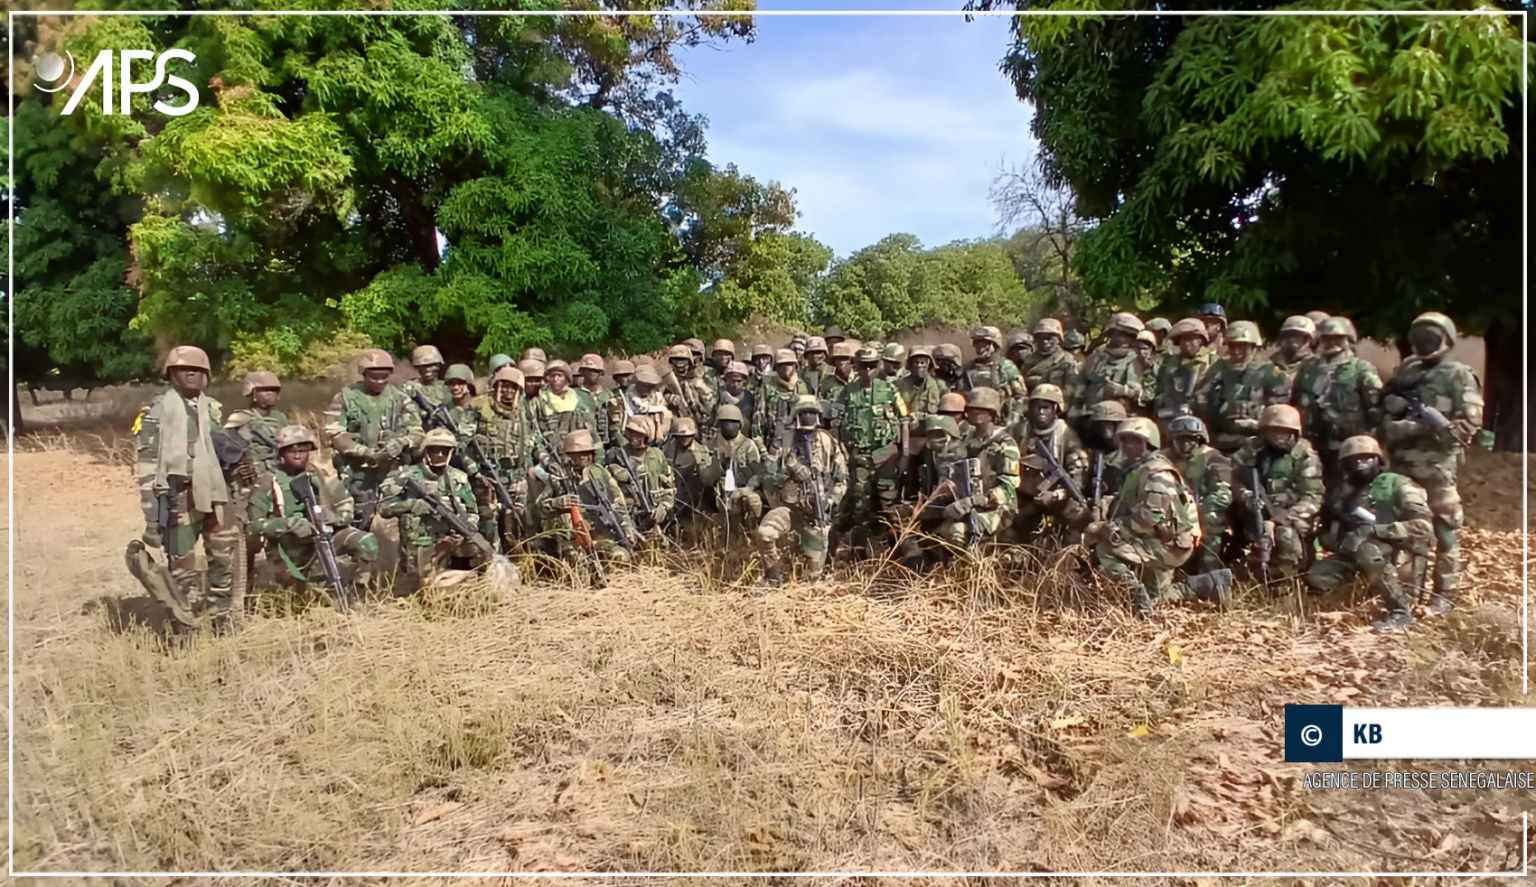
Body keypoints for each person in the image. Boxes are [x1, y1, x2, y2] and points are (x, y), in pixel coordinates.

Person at [129, 345, 242, 633]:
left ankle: (221, 619)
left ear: (206, 375)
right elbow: (146, 466)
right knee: (183, 568)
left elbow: (223, 453)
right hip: (178, 497)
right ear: (171, 374)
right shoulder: (156, 412)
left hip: (217, 495)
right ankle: (185, 624)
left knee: (224, 559)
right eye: (183, 369)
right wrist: (152, 514)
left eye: (197, 369)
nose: (191, 373)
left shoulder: (213, 409)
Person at [1378, 311, 1484, 615]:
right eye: (1419, 336)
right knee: (1403, 528)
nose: (1424, 342)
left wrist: (1417, 427)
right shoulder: (1409, 368)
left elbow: (1467, 426)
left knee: (1446, 530)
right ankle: (1405, 592)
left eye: (1431, 336)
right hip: (1401, 465)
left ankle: (1444, 595)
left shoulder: (1459, 375)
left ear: (1447, 340)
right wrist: (1393, 421)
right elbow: (1388, 404)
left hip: (1437, 467)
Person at [1086, 418, 1226, 615]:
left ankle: (1136, 597)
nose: (1128, 446)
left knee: (1106, 547)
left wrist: (1109, 528)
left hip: (1169, 544)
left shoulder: (1157, 473)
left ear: (1148, 444)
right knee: (1159, 597)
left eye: (1135, 441)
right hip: (1161, 538)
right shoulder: (1139, 468)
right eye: (1125, 440)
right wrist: (1104, 505)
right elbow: (1129, 500)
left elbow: (1148, 518)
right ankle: (1209, 583)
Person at [1307, 436, 1434, 630]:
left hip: (1400, 556)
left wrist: (1376, 530)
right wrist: (1335, 537)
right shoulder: (1341, 494)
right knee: (1318, 574)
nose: (1360, 464)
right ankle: (1364, 598)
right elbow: (1328, 539)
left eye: (1367, 458)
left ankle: (1400, 612)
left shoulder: (1398, 485)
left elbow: (1424, 527)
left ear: (1379, 461)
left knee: (1368, 550)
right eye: (1353, 460)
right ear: (1344, 465)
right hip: (1356, 558)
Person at [246, 425, 379, 594]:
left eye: (303, 450)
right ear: (281, 453)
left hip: (324, 537)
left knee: (366, 542)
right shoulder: (268, 480)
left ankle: (359, 594)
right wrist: (288, 524)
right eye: (291, 451)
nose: (297, 455)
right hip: (288, 547)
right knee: (295, 594)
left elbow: (345, 502)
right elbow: (253, 526)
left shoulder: (320, 475)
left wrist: (335, 518)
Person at [378, 428, 493, 595]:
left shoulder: (458, 478)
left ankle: (469, 580)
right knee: (427, 590)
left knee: (484, 553)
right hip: (421, 544)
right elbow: (384, 508)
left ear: (452, 452)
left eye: (445, 450)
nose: (439, 454)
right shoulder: (406, 475)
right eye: (434, 450)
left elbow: (472, 511)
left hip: (452, 541)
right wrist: (411, 505)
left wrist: (465, 527)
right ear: (425, 451)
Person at [322, 348, 423, 531]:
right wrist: (363, 452)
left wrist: (402, 442)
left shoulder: (400, 399)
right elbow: (333, 432)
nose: (380, 381)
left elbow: (417, 431)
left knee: (403, 511)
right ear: (364, 374)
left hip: (392, 467)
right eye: (374, 377)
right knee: (360, 515)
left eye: (384, 376)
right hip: (358, 468)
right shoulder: (345, 397)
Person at [757, 396, 849, 586]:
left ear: (818, 416)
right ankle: (773, 578)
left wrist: (831, 501)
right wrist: (790, 471)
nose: (808, 416)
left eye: (812, 412)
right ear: (796, 415)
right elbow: (768, 477)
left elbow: (842, 479)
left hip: (816, 516)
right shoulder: (785, 441)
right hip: (789, 511)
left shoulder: (828, 442)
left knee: (811, 579)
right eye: (804, 412)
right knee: (764, 534)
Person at [1230, 404, 1324, 581]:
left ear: (1295, 433)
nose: (1279, 437)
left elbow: (1313, 497)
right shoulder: (1253, 447)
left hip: (1291, 515)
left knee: (1284, 537)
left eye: (1284, 432)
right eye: (1274, 431)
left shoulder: (1305, 456)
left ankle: (1283, 581)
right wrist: (1245, 495)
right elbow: (1233, 475)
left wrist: (1278, 521)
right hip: (1254, 509)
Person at [534, 429, 640, 580]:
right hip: (573, 540)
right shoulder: (559, 478)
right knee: (581, 574)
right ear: (570, 455)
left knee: (621, 557)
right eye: (581, 453)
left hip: (602, 535)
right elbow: (540, 506)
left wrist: (626, 527)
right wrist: (557, 503)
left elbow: (618, 504)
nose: (586, 456)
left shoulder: (600, 472)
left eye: (589, 452)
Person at [1292, 317, 1383, 487]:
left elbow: (1375, 408)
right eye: (1327, 338)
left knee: (1346, 492)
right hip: (1311, 444)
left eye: (1337, 338)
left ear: (1348, 339)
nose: (1332, 342)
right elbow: (1294, 402)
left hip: (1347, 445)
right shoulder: (1308, 368)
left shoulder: (1361, 369)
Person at [835, 347, 911, 548]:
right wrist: (840, 453)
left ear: (877, 366)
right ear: (856, 367)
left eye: (871, 366)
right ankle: (859, 552)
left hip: (885, 454)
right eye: (863, 366)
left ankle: (903, 551)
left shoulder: (889, 390)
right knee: (860, 505)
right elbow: (835, 423)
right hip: (858, 455)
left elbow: (904, 420)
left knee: (890, 504)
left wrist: (904, 455)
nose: (867, 370)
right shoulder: (848, 392)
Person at [1012, 384, 1090, 541]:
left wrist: (1056, 495)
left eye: (1046, 407)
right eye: (1037, 407)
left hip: (1057, 496)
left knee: (1078, 513)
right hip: (1024, 495)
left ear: (1056, 408)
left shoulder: (1067, 435)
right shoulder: (1018, 431)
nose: (1041, 412)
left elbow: (1078, 476)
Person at [474, 365, 534, 548]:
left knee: (516, 521)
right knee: (489, 522)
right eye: (504, 386)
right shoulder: (481, 409)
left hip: (516, 476)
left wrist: (544, 458)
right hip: (488, 477)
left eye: (512, 387)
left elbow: (534, 439)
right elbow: (462, 444)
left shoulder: (523, 412)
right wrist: (475, 472)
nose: (508, 391)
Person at [1165, 415, 1232, 575]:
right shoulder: (1162, 458)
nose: (1186, 444)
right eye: (1180, 440)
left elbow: (1223, 495)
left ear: (1200, 440)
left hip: (1202, 512)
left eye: (1191, 440)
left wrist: (1193, 513)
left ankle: (1210, 573)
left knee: (1211, 521)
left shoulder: (1213, 458)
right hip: (1169, 512)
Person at [954, 388, 1021, 546]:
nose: (968, 413)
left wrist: (984, 499)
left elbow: (1010, 485)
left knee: (958, 531)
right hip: (966, 503)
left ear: (990, 413)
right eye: (969, 409)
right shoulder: (966, 439)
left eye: (975, 410)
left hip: (998, 507)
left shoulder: (1006, 443)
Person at [1070, 312, 1150, 429]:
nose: (1124, 339)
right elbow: (1082, 382)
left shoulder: (1137, 358)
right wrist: (1075, 414)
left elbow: (1146, 395)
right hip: (1092, 415)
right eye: (1120, 334)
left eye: (1129, 335)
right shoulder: (1097, 354)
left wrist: (1124, 391)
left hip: (1121, 418)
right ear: (1111, 333)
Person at [1198, 320, 1266, 453]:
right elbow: (1201, 398)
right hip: (1222, 439)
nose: (1236, 351)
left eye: (1242, 346)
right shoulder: (1218, 368)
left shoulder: (1268, 371)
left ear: (1253, 346)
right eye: (1233, 346)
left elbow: (1281, 405)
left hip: (1258, 441)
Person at [701, 404, 766, 539]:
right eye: (724, 423)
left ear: (739, 425)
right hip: (717, 493)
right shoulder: (711, 445)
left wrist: (746, 487)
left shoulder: (748, 445)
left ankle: (751, 535)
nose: (728, 426)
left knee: (753, 501)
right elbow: (705, 477)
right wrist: (718, 466)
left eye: (732, 423)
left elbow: (757, 472)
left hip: (742, 490)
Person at [605, 416, 675, 537]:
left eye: (638, 434)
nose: (633, 437)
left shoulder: (657, 456)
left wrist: (664, 506)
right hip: (630, 513)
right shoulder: (618, 456)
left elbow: (669, 486)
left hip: (656, 511)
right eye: (630, 433)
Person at [533, 359, 604, 464]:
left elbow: (593, 434)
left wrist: (599, 462)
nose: (555, 379)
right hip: (552, 460)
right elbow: (535, 435)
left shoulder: (579, 401)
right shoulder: (540, 402)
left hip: (580, 459)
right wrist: (544, 458)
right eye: (552, 376)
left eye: (559, 375)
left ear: (567, 378)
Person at [961, 325, 1028, 426]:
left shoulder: (1006, 367)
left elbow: (1020, 396)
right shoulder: (968, 368)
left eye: (983, 343)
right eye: (977, 342)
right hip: (972, 419)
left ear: (994, 345)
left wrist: (1012, 420)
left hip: (1000, 420)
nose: (979, 346)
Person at [1152, 317, 1214, 423]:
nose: (1187, 343)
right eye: (1183, 339)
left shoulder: (1213, 362)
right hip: (1171, 416)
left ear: (1200, 340)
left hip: (1203, 417)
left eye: (1191, 339)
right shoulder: (1169, 363)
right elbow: (1159, 389)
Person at [225, 371, 288, 474]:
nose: (270, 393)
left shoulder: (280, 418)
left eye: (274, 390)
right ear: (252, 392)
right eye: (265, 390)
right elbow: (226, 449)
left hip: (279, 470)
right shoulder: (239, 418)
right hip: (251, 473)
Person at [662, 417, 716, 529]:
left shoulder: (701, 452)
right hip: (671, 493)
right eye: (680, 437)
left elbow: (707, 479)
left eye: (687, 437)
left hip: (692, 498)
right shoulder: (667, 449)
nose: (683, 440)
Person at [755, 348, 810, 451]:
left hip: (796, 440)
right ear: (776, 367)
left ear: (795, 366)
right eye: (782, 365)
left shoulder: (801, 387)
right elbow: (759, 416)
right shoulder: (767, 386)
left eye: (789, 364)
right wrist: (760, 446)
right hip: (772, 439)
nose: (786, 368)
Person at [1256, 315, 1315, 408]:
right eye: (1288, 335)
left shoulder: (1316, 365)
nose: (1291, 339)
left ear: (1308, 339)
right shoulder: (1267, 364)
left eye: (1297, 335)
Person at [893, 345, 948, 423]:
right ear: (910, 365)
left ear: (928, 364)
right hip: (906, 428)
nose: (919, 365)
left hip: (932, 428)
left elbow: (947, 411)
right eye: (916, 362)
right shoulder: (898, 385)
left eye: (922, 362)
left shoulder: (939, 385)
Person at [1023, 318, 1078, 392]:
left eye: (1049, 338)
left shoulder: (1066, 360)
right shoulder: (1029, 359)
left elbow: (1071, 389)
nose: (1045, 341)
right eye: (1041, 338)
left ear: (1058, 339)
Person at [622, 364, 673, 444]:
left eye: (650, 385)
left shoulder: (657, 396)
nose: (646, 388)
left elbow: (662, 409)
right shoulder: (630, 394)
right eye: (643, 385)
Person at [575, 354, 613, 447]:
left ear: (601, 373)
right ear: (582, 372)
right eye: (588, 370)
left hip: (606, 444)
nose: (593, 373)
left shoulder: (609, 396)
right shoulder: (574, 395)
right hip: (581, 444)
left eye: (596, 371)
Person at [403, 345, 449, 419]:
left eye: (431, 365)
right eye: (423, 366)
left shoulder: (446, 388)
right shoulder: (410, 388)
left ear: (438, 366)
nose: (427, 369)